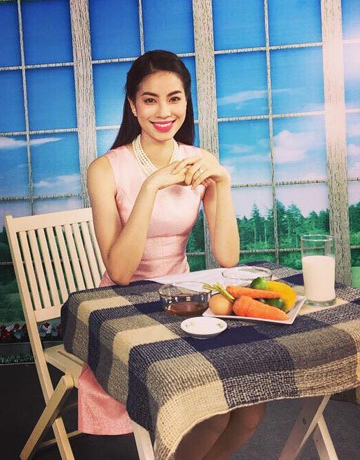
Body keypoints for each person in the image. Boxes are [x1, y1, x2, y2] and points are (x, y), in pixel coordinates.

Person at [80, 50, 266, 459]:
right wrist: (152, 186)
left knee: (251, 410)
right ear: (133, 105)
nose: (164, 111)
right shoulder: (105, 169)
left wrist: (223, 183)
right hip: (125, 305)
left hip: (184, 301)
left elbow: (228, 257)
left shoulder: (200, 161)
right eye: (150, 100)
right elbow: (120, 272)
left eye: (174, 98)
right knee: (212, 412)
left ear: (186, 101)